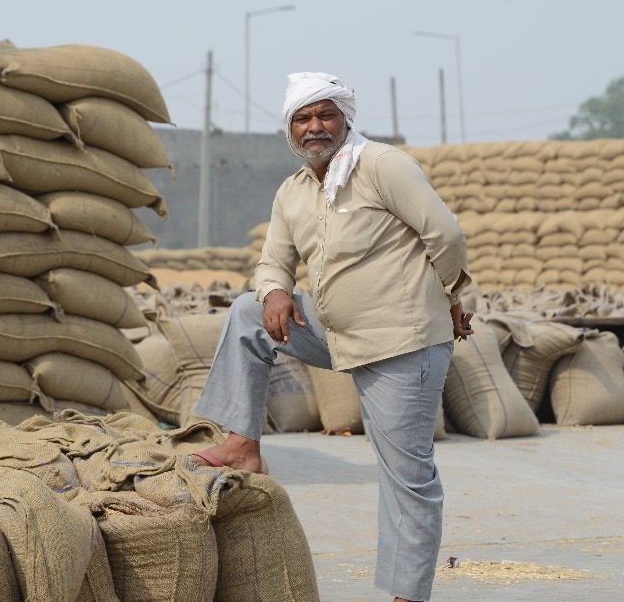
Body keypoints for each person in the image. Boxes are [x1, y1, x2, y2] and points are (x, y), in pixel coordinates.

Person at [190, 71, 473, 602]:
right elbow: (273, 260)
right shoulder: (292, 191)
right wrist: (275, 291)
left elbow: (446, 234)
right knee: (250, 311)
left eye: (326, 115)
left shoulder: (382, 166)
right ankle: (241, 446)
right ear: (289, 130)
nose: (314, 126)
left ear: (346, 119)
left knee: (406, 478)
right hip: (336, 333)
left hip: (401, 342)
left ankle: (406, 595)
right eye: (303, 118)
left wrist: (451, 297)